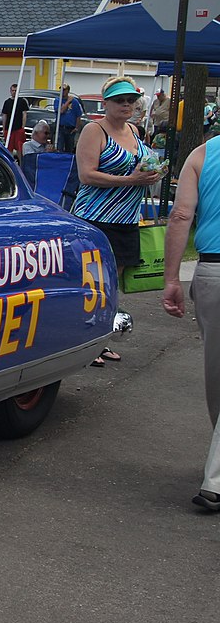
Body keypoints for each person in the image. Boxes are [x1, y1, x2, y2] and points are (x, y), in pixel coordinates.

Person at [72, 75, 163, 366]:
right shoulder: (94, 130)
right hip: (95, 217)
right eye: (119, 101)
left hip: (126, 218)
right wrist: (130, 179)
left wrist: (153, 173)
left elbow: (141, 167)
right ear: (106, 103)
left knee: (112, 285)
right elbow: (87, 175)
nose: (126, 105)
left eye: (130, 100)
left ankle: (100, 340)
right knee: (91, 283)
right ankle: (81, 343)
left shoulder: (135, 130)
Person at [163, 135, 220, 510]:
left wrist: (171, 279)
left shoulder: (203, 154)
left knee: (215, 371)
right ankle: (215, 478)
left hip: (212, 270)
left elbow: (181, 214)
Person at [0, 83, 30, 155]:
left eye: (15, 90)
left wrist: (23, 126)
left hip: (18, 129)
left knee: (20, 148)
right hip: (9, 129)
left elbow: (24, 114)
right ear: (10, 91)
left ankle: (21, 164)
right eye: (12, 90)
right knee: (9, 148)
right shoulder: (7, 102)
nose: (14, 92)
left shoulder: (22, 101)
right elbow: (4, 116)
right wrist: (4, 129)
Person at [54, 84, 84, 153]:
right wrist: (68, 102)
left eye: (64, 90)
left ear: (68, 91)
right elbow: (61, 111)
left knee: (69, 149)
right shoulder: (58, 100)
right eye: (61, 90)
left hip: (70, 129)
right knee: (59, 148)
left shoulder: (75, 102)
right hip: (60, 128)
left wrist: (76, 128)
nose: (62, 91)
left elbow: (78, 115)